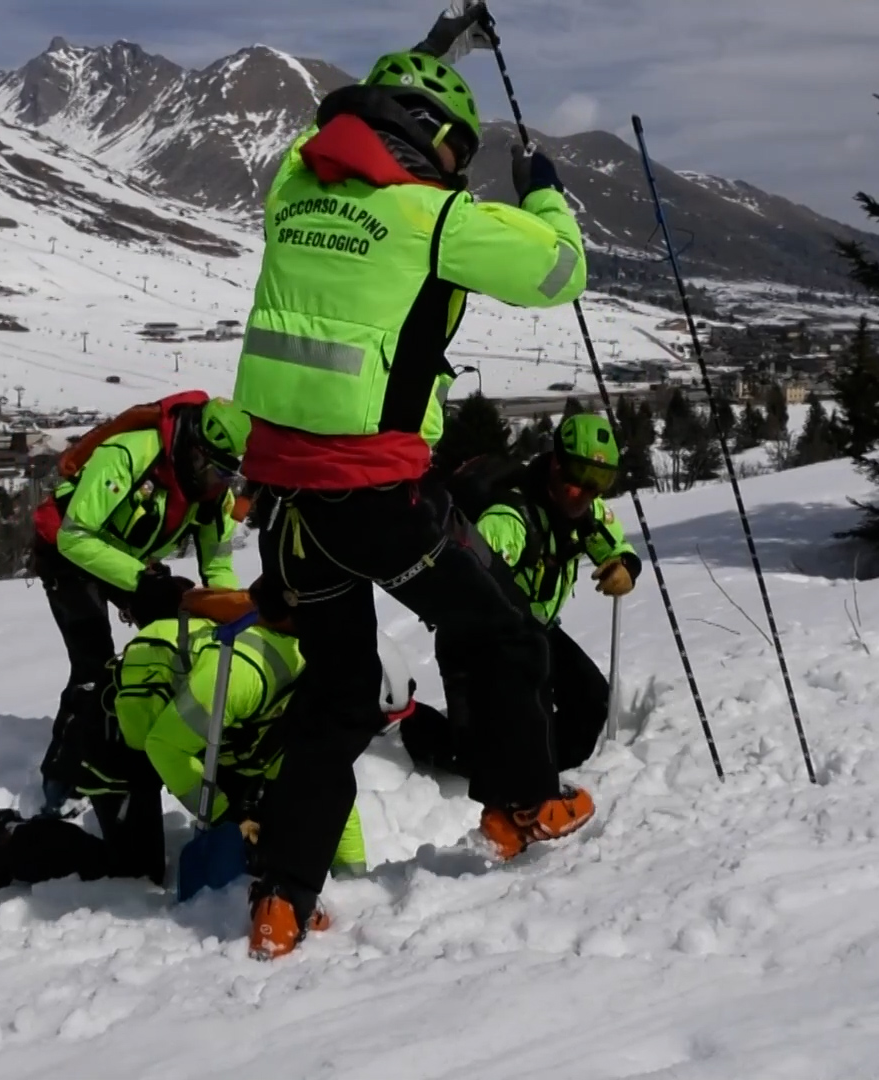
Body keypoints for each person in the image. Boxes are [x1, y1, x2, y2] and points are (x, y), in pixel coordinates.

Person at [231, 2, 595, 960]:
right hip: (381, 498)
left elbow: (331, 123)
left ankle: (282, 898)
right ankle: (525, 806)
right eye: (458, 150)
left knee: (338, 695)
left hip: (292, 505)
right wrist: (544, 189)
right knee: (503, 631)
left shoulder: (294, 191)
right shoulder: (432, 217)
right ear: (437, 143)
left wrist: (432, 48)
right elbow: (560, 271)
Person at [0, 591, 415, 897]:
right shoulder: (248, 676)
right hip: (125, 730)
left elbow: (327, 784)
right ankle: (11, 839)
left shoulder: (310, 698)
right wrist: (224, 815)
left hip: (201, 736)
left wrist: (353, 879)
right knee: (135, 871)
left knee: (271, 816)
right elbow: (164, 744)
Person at [31, 393, 250, 882]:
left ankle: (142, 743)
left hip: (128, 557)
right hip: (69, 552)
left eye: (226, 475)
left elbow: (216, 563)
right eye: (212, 470)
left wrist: (226, 612)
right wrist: (143, 581)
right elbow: (76, 535)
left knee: (160, 653)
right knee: (93, 663)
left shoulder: (214, 494)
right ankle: (62, 781)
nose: (217, 483)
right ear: (194, 449)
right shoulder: (130, 455)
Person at [404, 414, 640, 777]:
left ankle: (541, 774)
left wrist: (624, 565)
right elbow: (465, 586)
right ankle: (409, 722)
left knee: (590, 703)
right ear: (558, 465)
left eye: (601, 481)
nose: (590, 491)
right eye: (583, 478)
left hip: (534, 630)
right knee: (476, 758)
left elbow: (613, 544)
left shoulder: (585, 510)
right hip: (476, 641)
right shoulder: (509, 520)